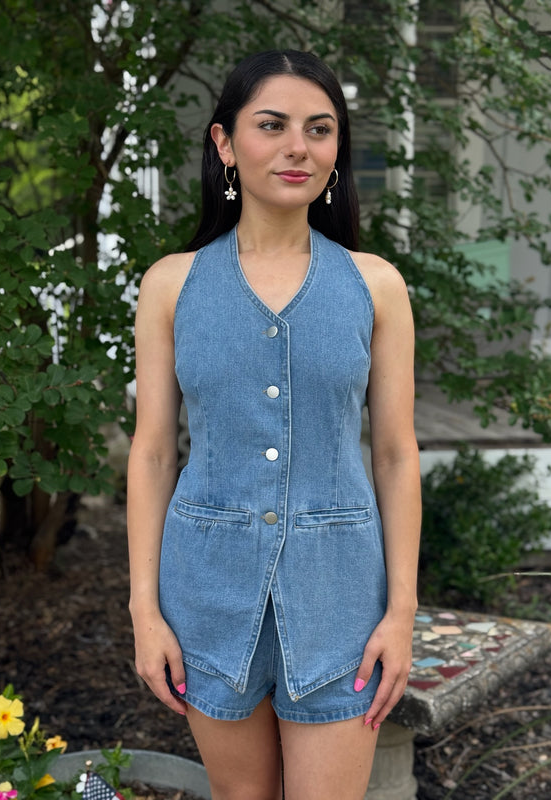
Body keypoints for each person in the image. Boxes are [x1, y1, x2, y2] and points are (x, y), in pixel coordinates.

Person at [127, 49, 421, 800]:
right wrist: (144, 610)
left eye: (319, 129)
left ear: (337, 149)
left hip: (340, 597)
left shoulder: (375, 286)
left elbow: (395, 454)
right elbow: (153, 453)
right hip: (205, 593)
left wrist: (401, 612)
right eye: (272, 125)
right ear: (225, 143)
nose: (299, 147)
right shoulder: (171, 285)